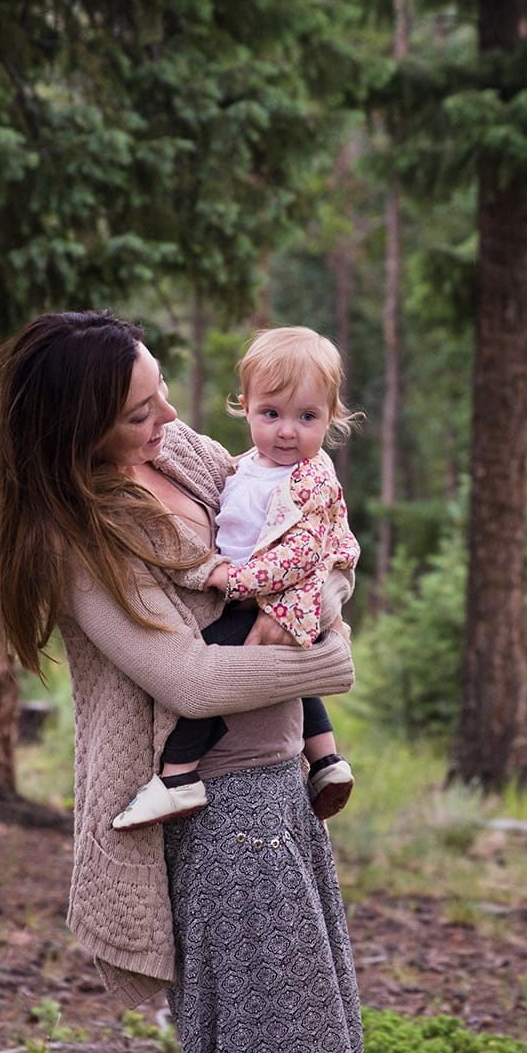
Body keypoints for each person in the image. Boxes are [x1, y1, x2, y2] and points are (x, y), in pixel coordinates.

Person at [0, 310, 364, 1053]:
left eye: (161, 391)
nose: (171, 416)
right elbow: (191, 680)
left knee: (315, 1028)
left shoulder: (179, 450)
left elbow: (309, 535)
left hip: (285, 777)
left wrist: (320, 603)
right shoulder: (77, 540)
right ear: (79, 429)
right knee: (279, 1040)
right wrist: (326, 662)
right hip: (221, 807)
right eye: (140, 411)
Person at [112, 325, 360, 832]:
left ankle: (178, 776)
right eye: (271, 414)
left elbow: (304, 554)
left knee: (220, 655)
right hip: (259, 600)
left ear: (330, 418)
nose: (287, 432)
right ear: (244, 407)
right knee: (263, 665)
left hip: (267, 595)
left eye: (307, 417)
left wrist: (237, 580)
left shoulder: (310, 477)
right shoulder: (242, 465)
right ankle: (328, 759)